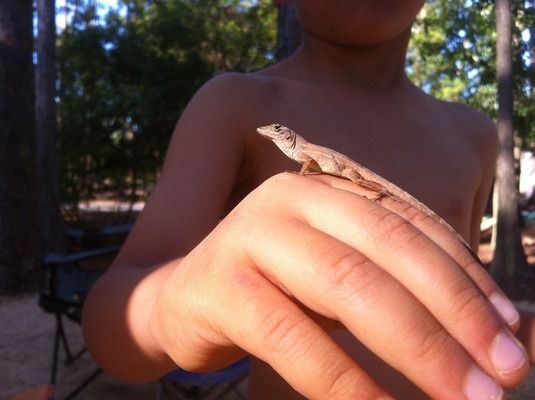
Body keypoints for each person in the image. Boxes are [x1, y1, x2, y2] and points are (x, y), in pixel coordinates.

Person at [82, 1, 534, 399]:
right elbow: (108, 326)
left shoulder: (474, 134)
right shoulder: (234, 104)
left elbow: (462, 288)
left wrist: (512, 329)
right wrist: (176, 304)